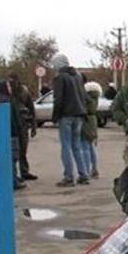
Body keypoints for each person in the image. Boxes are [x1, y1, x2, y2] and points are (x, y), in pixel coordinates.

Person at [50, 54, 90, 187]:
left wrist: (55, 116)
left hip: (66, 115)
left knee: (66, 146)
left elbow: (58, 98)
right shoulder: (78, 76)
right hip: (79, 114)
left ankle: (68, 177)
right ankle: (83, 175)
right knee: (77, 146)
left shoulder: (60, 77)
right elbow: (83, 95)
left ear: (58, 64)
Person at [0, 79, 26, 190]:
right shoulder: (7, 101)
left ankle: (12, 178)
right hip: (11, 133)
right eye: (8, 86)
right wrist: (19, 130)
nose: (10, 88)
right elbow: (14, 118)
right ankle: (13, 181)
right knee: (12, 158)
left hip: (2, 133)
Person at [9, 73, 37, 181]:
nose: (12, 84)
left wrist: (34, 127)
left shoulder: (24, 91)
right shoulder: (7, 93)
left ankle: (24, 172)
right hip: (11, 125)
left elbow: (31, 109)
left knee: (23, 150)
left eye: (13, 81)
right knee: (13, 151)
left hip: (23, 124)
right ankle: (14, 175)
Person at [82, 81, 102, 179]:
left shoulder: (86, 98)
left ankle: (86, 169)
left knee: (85, 146)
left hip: (85, 122)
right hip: (93, 122)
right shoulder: (95, 98)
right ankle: (94, 168)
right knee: (91, 147)